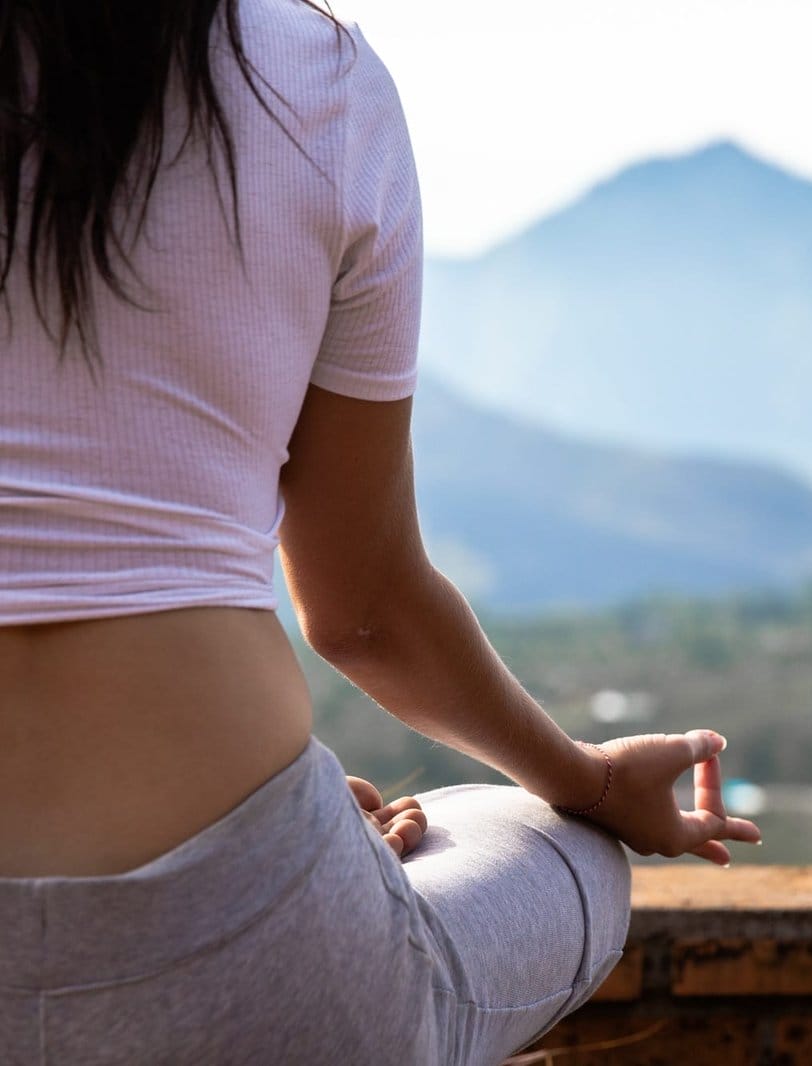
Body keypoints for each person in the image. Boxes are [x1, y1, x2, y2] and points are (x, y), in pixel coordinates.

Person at [0, 1, 761, 1062]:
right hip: (247, 951)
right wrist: (588, 783)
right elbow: (364, 610)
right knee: (547, 841)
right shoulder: (308, 76)